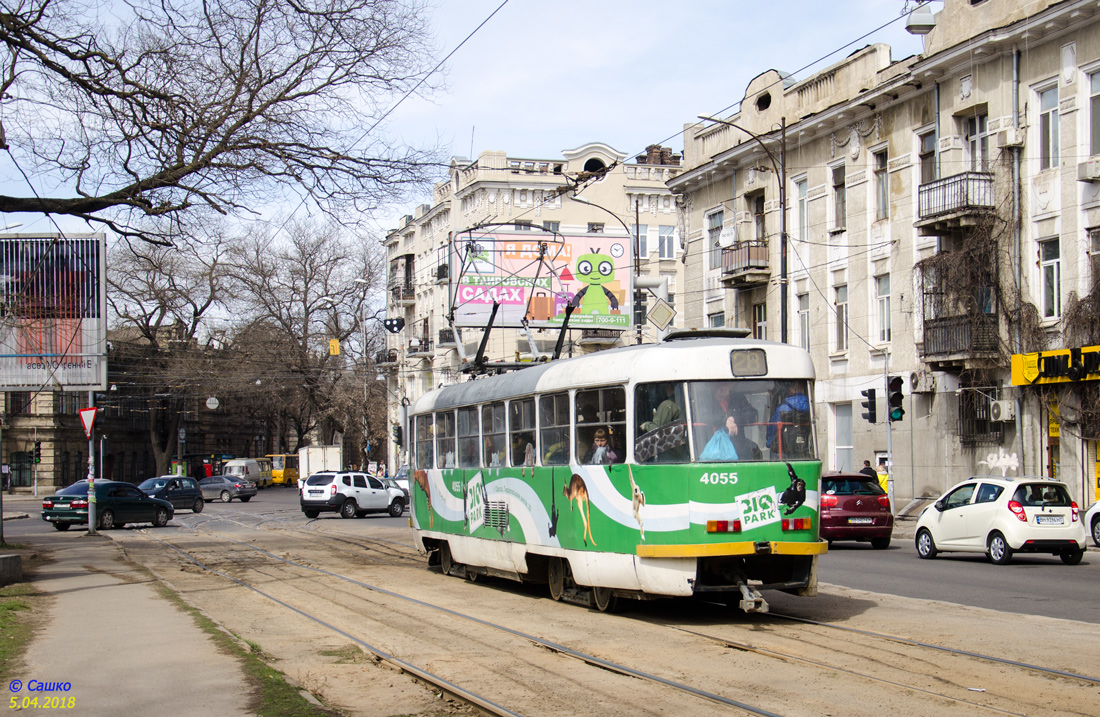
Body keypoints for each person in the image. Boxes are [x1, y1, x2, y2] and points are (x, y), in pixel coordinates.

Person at [766, 382, 811, 452]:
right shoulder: (811, 407)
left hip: (783, 449)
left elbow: (772, 430)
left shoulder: (782, 408)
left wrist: (769, 443)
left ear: (790, 390)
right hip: (805, 449)